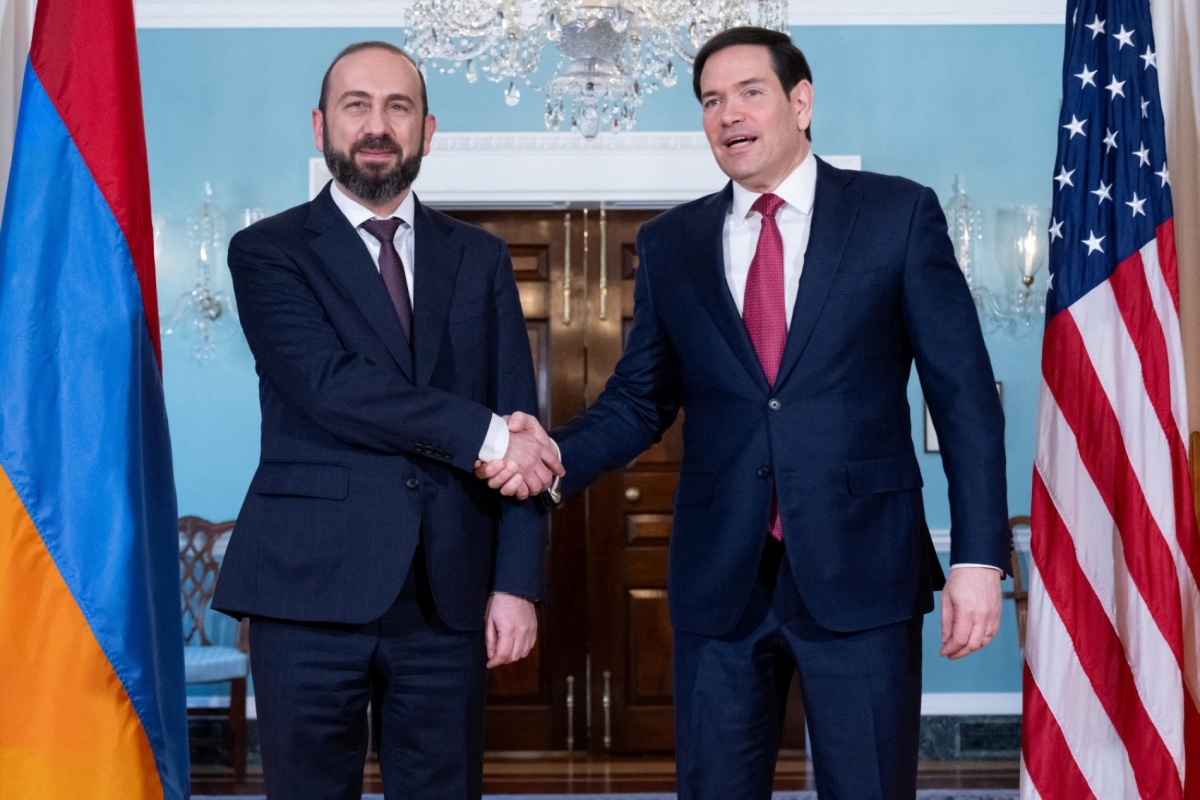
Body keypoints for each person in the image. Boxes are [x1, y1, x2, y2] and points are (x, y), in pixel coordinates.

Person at [480, 26, 1010, 800]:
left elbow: (963, 400)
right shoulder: (672, 243)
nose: (728, 114)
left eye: (749, 92)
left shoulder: (897, 216)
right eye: (710, 101)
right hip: (721, 575)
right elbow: (640, 397)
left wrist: (977, 559)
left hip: (863, 569)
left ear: (801, 102)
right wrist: (552, 453)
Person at [212, 41, 563, 800]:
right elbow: (330, 387)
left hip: (449, 593)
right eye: (357, 106)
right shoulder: (268, 252)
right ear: (320, 126)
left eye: (398, 107)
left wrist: (517, 582)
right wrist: (489, 436)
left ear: (427, 130)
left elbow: (522, 423)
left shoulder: (481, 258)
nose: (378, 125)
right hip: (306, 592)